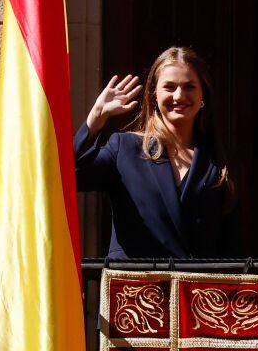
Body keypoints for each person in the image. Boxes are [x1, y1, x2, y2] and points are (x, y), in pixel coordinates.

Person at [75, 45, 238, 259]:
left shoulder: (218, 161)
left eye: (189, 86)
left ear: (202, 95)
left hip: (195, 290)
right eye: (169, 87)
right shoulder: (124, 148)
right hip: (138, 289)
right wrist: (95, 118)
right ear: (153, 94)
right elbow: (69, 176)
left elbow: (230, 244)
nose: (179, 96)